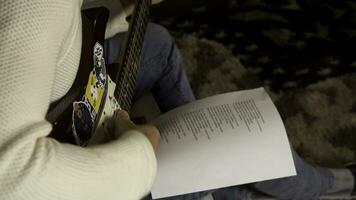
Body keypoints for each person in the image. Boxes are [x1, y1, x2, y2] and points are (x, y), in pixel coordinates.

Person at [0, 1, 355, 200]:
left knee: (153, 44)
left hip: (66, 90)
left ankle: (201, 151)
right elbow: (11, 176)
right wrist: (139, 154)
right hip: (58, 157)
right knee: (235, 179)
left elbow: (57, 30)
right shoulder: (34, 7)